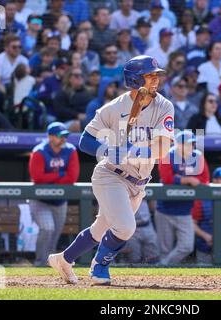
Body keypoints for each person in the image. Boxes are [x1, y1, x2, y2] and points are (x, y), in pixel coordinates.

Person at [48, 55, 174, 285]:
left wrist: (132, 151)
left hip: (139, 181)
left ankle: (63, 260)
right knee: (125, 228)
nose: (155, 80)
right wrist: (107, 151)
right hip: (110, 175)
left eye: (156, 75)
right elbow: (85, 141)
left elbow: (162, 149)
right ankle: (99, 267)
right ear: (135, 79)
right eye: (149, 75)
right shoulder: (114, 108)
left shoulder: (164, 106)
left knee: (99, 230)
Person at [28, 122, 80, 267]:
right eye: (60, 136)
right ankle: (40, 262)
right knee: (47, 228)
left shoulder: (71, 150)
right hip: (40, 200)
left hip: (60, 201)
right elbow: (37, 177)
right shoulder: (39, 151)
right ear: (50, 137)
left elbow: (72, 177)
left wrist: (51, 176)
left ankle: (49, 264)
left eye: (65, 136)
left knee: (55, 234)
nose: (63, 139)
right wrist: (60, 174)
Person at [155, 130, 210, 265]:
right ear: (178, 144)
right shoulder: (167, 155)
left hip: (185, 210)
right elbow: (167, 179)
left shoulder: (198, 157)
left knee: (186, 246)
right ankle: (162, 278)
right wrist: (187, 181)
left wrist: (181, 178)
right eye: (187, 144)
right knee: (164, 249)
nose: (191, 147)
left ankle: (162, 266)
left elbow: (205, 179)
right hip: (165, 209)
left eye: (192, 144)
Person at [0, 34, 29, 112]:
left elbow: (25, 81)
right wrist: (10, 94)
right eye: (14, 47)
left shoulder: (24, 60)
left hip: (16, 88)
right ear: (6, 48)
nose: (17, 49)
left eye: (19, 47)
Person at [52, 67, 93, 133]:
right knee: (77, 125)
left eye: (81, 75)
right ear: (69, 78)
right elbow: (60, 110)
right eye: (76, 76)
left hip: (87, 121)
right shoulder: (63, 93)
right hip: (66, 122)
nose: (79, 77)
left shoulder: (89, 92)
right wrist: (77, 115)